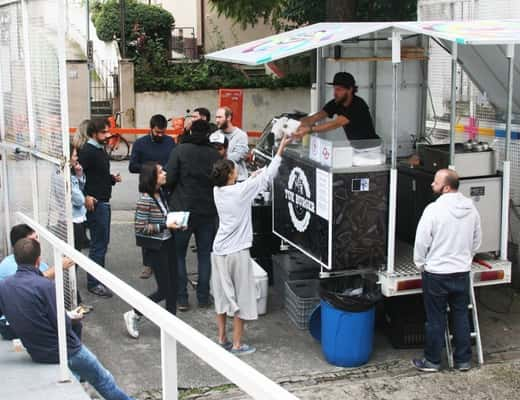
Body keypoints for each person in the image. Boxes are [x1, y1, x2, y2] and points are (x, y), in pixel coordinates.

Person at [0, 238, 133, 400]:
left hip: (37, 352)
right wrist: (73, 318)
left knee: (79, 375)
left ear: (15, 258)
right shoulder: (45, 286)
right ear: (38, 260)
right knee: (104, 380)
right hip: (66, 351)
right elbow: (62, 324)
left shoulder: (4, 286)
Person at [210, 134, 292, 355]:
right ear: (229, 175)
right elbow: (268, 176)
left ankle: (221, 337)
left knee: (222, 296)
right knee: (242, 298)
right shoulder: (240, 191)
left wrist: (252, 178)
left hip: (218, 252)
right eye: (234, 169)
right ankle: (237, 344)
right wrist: (281, 147)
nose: (237, 170)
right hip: (237, 253)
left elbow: (246, 185)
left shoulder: (218, 191)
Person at [412, 169, 482, 373]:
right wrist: (466, 258)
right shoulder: (472, 209)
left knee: (436, 318)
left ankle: (432, 361)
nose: (432, 185)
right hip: (461, 271)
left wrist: (420, 264)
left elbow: (421, 241)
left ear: (447, 187)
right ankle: (463, 361)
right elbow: (477, 240)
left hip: (436, 274)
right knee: (460, 315)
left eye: (435, 182)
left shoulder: (433, 210)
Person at [165, 120, 221, 311]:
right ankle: (203, 297)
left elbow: (169, 178)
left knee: (177, 254)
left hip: (179, 208)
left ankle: (182, 299)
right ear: (208, 134)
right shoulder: (214, 154)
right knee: (205, 254)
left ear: (190, 130)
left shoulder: (179, 150)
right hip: (207, 210)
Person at [123, 162, 181, 338]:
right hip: (156, 248)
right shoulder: (146, 199)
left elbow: (165, 217)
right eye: (161, 172)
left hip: (168, 243)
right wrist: (165, 225)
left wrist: (176, 224)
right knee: (164, 289)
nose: (165, 173)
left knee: (174, 286)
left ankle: (171, 325)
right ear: (152, 177)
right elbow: (140, 227)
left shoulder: (161, 194)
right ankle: (134, 313)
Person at [0, 224, 75, 340]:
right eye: (33, 239)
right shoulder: (10, 264)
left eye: (37, 238)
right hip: (12, 323)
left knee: (71, 324)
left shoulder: (39, 263)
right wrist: (57, 268)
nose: (38, 243)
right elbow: (26, 288)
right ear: (22, 245)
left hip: (33, 316)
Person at [79, 118, 122, 298]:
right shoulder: (88, 151)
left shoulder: (98, 149)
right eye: (103, 132)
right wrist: (85, 196)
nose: (107, 135)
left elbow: (97, 175)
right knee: (99, 244)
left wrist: (112, 179)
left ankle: (99, 277)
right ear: (93, 134)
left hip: (103, 201)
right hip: (96, 204)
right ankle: (94, 282)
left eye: (108, 131)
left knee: (101, 243)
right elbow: (77, 177)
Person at [128, 114, 176, 280]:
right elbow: (132, 166)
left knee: (165, 223)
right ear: (151, 128)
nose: (160, 135)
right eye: (157, 132)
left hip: (166, 188)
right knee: (148, 224)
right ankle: (148, 264)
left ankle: (165, 259)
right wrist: (150, 169)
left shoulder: (170, 142)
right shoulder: (140, 143)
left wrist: (165, 172)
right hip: (148, 188)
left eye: (163, 132)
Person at [294, 72, 380, 142]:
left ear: (350, 89)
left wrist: (309, 129)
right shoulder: (336, 102)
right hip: (355, 147)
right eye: (334, 89)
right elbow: (316, 117)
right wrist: (295, 124)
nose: (335, 93)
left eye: (339, 89)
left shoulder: (358, 105)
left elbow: (334, 124)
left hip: (371, 148)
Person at [70, 144, 92, 312]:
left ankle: (74, 298)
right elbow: (79, 199)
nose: (76, 159)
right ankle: (73, 300)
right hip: (73, 220)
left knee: (73, 261)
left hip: (75, 219)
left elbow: (80, 190)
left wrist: (79, 175)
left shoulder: (70, 175)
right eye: (74, 155)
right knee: (72, 262)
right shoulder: (65, 177)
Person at [214, 107, 249, 182]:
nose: (217, 120)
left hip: (238, 180)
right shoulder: (214, 136)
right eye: (216, 117)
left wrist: (220, 156)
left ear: (228, 117)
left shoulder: (241, 135)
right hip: (220, 180)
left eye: (220, 117)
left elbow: (237, 157)